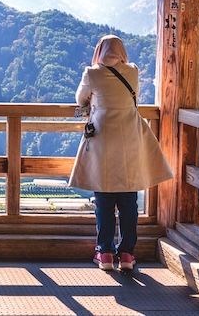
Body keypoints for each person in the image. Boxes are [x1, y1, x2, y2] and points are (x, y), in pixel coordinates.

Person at [69, 35, 173, 272]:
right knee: (128, 201)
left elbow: (80, 99)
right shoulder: (133, 71)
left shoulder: (92, 73)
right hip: (131, 136)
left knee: (104, 200)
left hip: (103, 137)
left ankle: (105, 253)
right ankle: (127, 254)